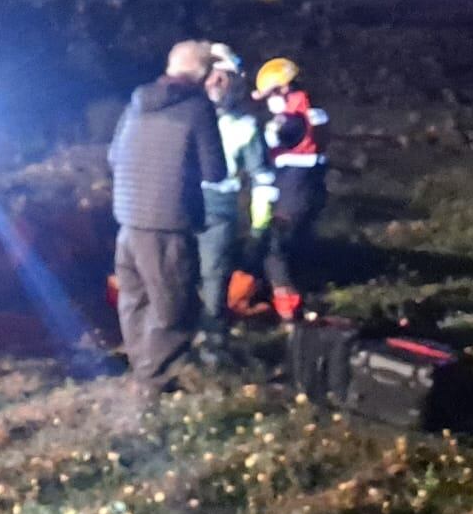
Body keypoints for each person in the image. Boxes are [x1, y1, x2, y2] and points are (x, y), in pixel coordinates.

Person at [108, 40, 228, 393]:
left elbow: (114, 156)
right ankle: (154, 382)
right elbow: (215, 170)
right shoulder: (196, 107)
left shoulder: (137, 102)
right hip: (167, 223)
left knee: (135, 300)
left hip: (127, 220)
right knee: (174, 305)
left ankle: (142, 367)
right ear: (204, 75)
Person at [199, 44, 267, 343]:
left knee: (214, 274)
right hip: (175, 203)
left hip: (218, 207)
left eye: (223, 76)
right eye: (210, 75)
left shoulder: (245, 127)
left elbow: (263, 179)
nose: (215, 82)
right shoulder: (181, 117)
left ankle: (213, 343)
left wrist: (259, 226)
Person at [252, 56, 328, 323]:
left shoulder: (290, 119)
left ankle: (287, 311)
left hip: (293, 192)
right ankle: (309, 302)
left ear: (283, 88)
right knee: (299, 247)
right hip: (312, 189)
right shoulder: (314, 111)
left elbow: (271, 141)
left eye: (269, 94)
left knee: (276, 251)